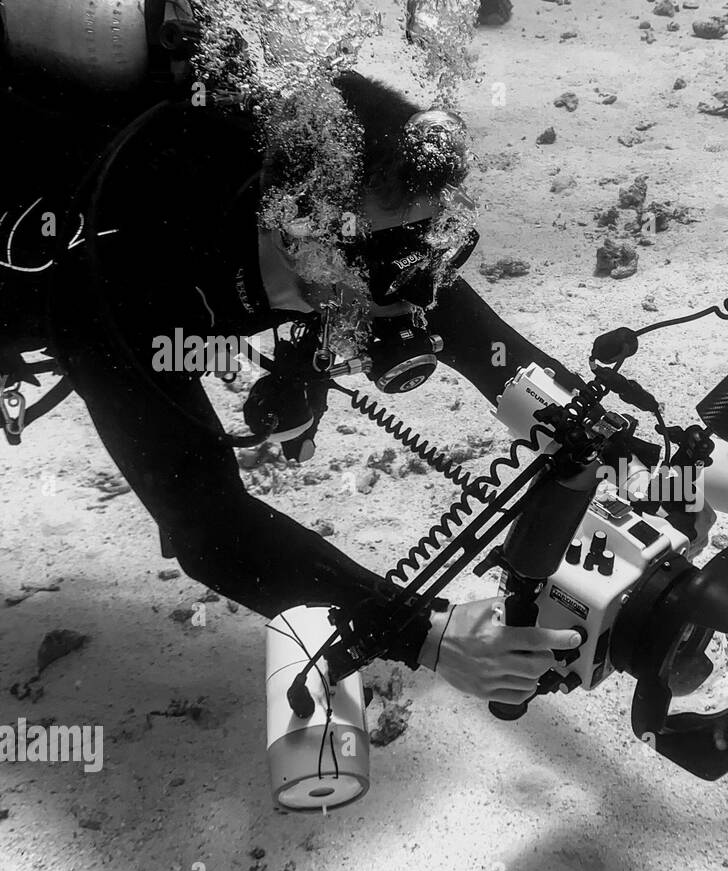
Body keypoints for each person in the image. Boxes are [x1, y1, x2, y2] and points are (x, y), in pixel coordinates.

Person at [0, 2, 583, 705]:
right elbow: (209, 527)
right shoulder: (125, 277)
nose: (418, 287)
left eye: (433, 246)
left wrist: (588, 421)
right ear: (296, 229)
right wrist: (427, 633)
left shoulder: (332, 185)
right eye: (394, 261)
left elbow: (453, 317)